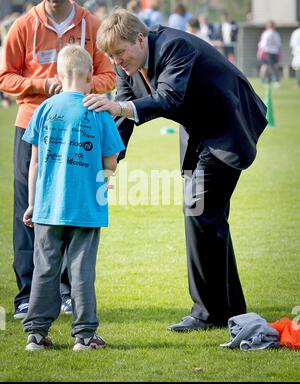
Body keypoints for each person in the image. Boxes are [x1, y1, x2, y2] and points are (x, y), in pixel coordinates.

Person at [83, 8, 268, 332]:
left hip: (226, 127)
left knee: (198, 211)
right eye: (110, 56)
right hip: (199, 132)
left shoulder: (174, 47)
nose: (116, 61)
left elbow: (169, 99)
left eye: (120, 52)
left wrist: (121, 106)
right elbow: (125, 117)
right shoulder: (129, 65)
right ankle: (230, 309)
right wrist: (107, 164)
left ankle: (206, 313)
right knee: (209, 217)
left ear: (140, 39)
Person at [0, 0, 115, 320]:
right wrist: (40, 85)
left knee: (72, 205)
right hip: (32, 124)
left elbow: (109, 75)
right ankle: (26, 295)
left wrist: (75, 86)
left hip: (78, 128)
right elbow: (4, 77)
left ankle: (66, 292)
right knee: (29, 206)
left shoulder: (91, 24)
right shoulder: (23, 26)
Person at [22, 44, 125, 351]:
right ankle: (84, 336)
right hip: (85, 208)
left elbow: (35, 162)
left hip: (47, 207)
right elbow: (111, 160)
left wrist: (31, 202)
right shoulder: (98, 110)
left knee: (44, 269)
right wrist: (105, 184)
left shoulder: (44, 109)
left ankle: (36, 335)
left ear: (57, 75)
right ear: (91, 76)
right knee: (81, 272)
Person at [257, 20, 282, 86]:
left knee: (266, 66)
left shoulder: (268, 33)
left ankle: (267, 79)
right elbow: (278, 45)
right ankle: (275, 81)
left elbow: (262, 45)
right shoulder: (273, 34)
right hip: (268, 52)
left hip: (270, 52)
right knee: (270, 66)